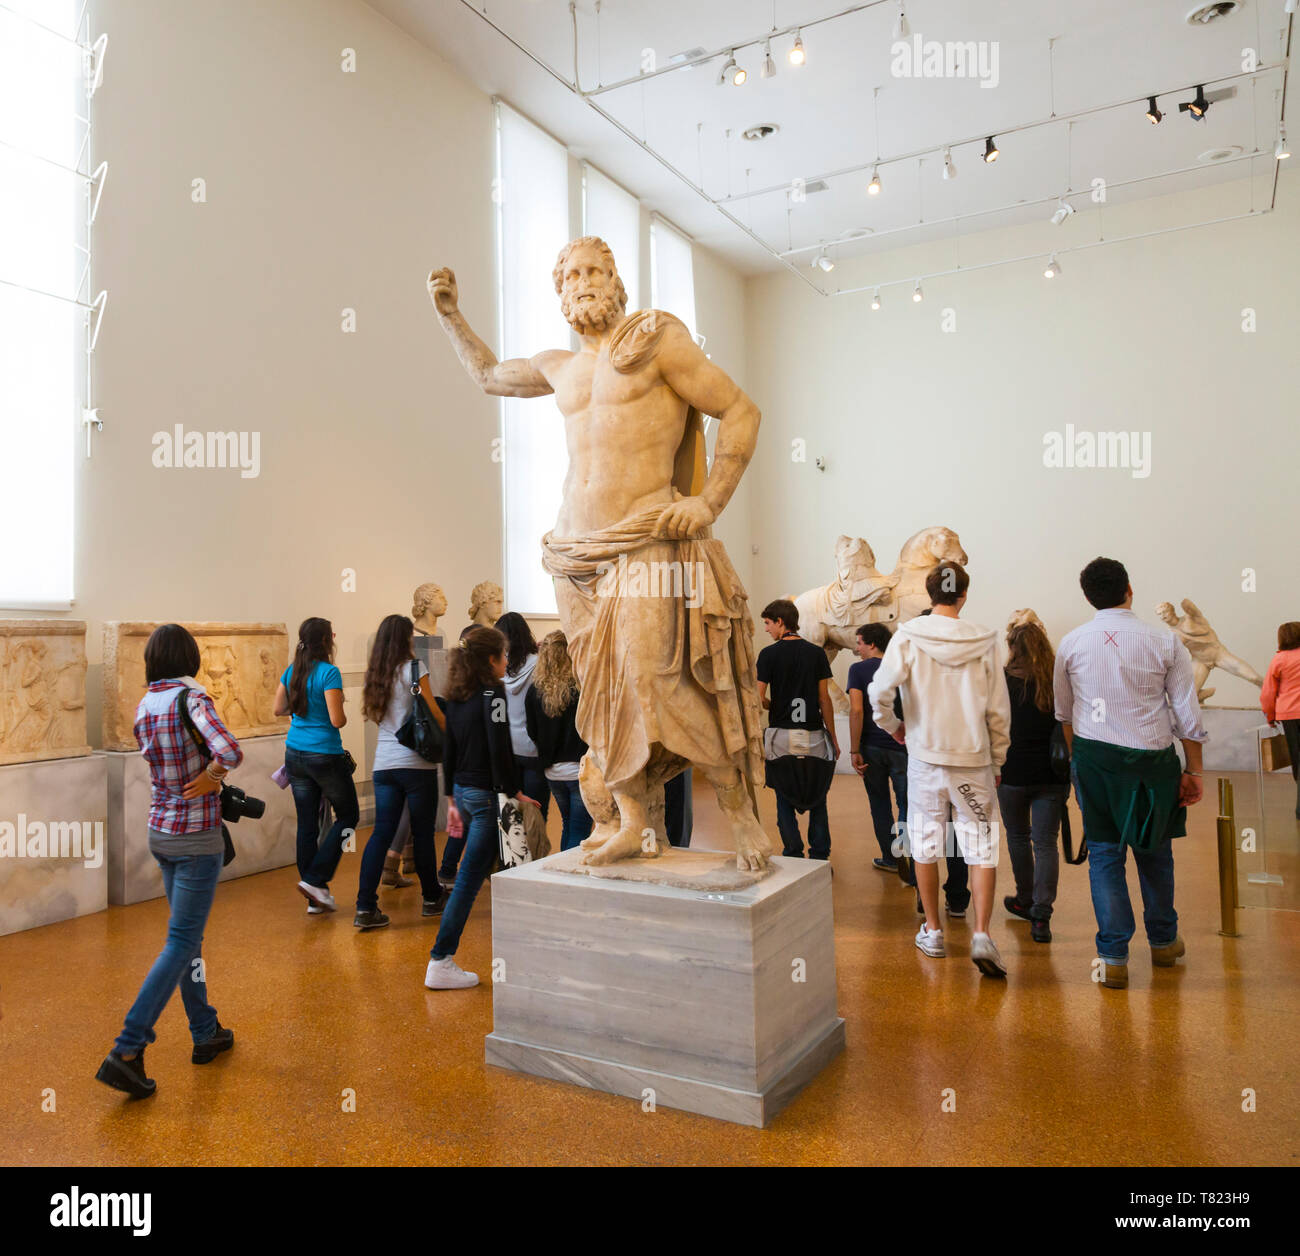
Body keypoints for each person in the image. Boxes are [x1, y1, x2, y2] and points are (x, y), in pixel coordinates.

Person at [96, 625, 242, 1098]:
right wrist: (213, 778)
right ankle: (127, 1048)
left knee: (187, 940)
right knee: (180, 943)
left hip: (160, 831)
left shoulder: (145, 705)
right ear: (190, 657)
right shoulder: (192, 700)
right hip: (197, 837)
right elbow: (230, 750)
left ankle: (205, 1031)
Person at [1054, 557, 1207, 990]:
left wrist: (1078, 765)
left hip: (1095, 760)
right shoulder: (1165, 642)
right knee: (1155, 852)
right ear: (1129, 590)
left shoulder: (1071, 644)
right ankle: (1163, 943)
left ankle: (1114, 956)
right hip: (1153, 762)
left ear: (1088, 598)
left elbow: (1064, 713)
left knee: (1105, 857)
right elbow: (1186, 714)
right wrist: (1193, 770)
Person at [869, 563, 1011, 978]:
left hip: (926, 760)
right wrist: (998, 757)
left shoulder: (908, 636)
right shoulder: (984, 640)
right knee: (982, 847)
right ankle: (982, 934)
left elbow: (879, 692)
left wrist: (895, 728)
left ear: (929, 595)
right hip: (973, 760)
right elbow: (998, 710)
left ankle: (932, 931)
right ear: (964, 595)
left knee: (927, 846)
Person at [425, 626, 536, 989]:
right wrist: (513, 790)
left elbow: (450, 751)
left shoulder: (458, 694)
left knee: (490, 872)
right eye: (503, 656)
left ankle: (521, 948)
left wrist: (452, 798)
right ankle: (441, 959)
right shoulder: (494, 693)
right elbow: (498, 748)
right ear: (491, 659)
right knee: (470, 881)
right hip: (487, 797)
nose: (506, 662)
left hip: (464, 791)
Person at [355, 614, 448, 930]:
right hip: (416, 765)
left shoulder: (375, 675)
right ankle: (432, 898)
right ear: (404, 639)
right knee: (422, 834)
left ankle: (365, 907)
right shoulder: (414, 669)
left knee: (381, 833)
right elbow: (434, 713)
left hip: (384, 766)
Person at [275, 617, 358, 913]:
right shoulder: (329, 673)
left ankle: (315, 896)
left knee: (307, 823)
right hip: (324, 755)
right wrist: (341, 707)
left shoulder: (291, 670)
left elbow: (278, 709)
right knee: (348, 815)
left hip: (294, 753)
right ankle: (315, 879)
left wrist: (303, 712)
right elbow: (337, 720)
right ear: (327, 640)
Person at [997, 615, 1067, 943]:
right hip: (1052, 775)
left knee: (1017, 837)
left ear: (1012, 648)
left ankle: (1025, 899)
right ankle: (1042, 913)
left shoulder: (1001, 682)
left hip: (1011, 772)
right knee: (1045, 842)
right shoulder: (1058, 681)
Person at [756, 599, 839, 860]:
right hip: (812, 735)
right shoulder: (816, 654)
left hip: (781, 736)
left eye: (768, 624)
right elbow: (824, 699)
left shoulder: (768, 655)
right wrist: (833, 738)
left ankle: (793, 853)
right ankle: (820, 856)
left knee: (784, 796)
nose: (767, 630)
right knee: (817, 796)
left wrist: (774, 704)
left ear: (780, 622)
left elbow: (757, 698)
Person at [847, 622, 907, 874]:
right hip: (902, 745)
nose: (857, 648)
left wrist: (854, 749)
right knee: (907, 803)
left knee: (879, 803)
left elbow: (857, 710)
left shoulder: (858, 670)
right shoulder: (901, 667)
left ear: (871, 643)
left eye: (859, 642)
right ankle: (908, 854)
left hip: (871, 746)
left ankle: (891, 859)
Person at [525, 630, 592, 851]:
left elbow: (532, 731)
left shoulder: (535, 691)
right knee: (580, 829)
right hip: (579, 770)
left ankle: (563, 874)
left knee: (568, 824)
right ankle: (571, 878)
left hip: (552, 771)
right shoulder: (580, 689)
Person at [495, 612, 550, 821]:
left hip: (509, 748)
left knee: (511, 814)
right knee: (536, 814)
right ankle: (538, 854)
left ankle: (514, 855)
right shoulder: (539, 664)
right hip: (534, 748)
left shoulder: (500, 669)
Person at [1261, 621, 1300, 820]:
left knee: (1297, 758)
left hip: (1290, 715)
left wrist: (1270, 716)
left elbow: (1268, 693)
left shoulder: (1279, 660)